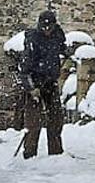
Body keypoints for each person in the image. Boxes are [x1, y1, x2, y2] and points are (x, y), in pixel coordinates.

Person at [18, 9, 67, 158]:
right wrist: (31, 88)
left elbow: (63, 49)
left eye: (49, 26)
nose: (47, 29)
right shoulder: (33, 39)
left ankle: (56, 154)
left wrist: (67, 54)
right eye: (44, 26)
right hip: (35, 83)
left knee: (56, 119)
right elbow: (24, 68)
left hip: (51, 83)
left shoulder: (57, 36)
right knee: (33, 121)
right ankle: (29, 154)